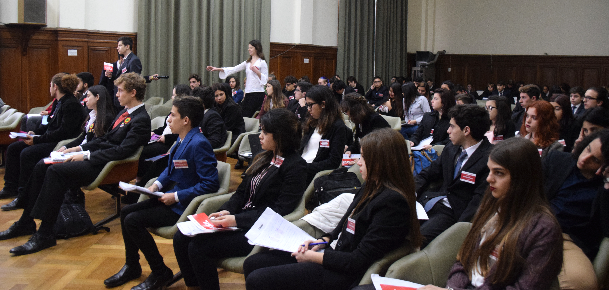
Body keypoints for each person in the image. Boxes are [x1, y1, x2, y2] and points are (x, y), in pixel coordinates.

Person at [243, 128, 423, 290]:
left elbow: (357, 261)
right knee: (253, 262)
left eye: (364, 158)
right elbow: (342, 229)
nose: (358, 162)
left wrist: (313, 258)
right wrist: (320, 241)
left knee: (258, 279)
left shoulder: (393, 204)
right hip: (333, 254)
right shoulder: (371, 186)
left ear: (382, 162)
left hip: (343, 273)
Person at [0, 72, 151, 255]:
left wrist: (86, 155)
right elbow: (105, 140)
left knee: (56, 172)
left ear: (133, 92)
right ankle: (26, 222)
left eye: (120, 91)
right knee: (42, 165)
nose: (116, 94)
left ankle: (44, 234)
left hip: (109, 166)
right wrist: (78, 149)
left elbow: (122, 151)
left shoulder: (141, 119)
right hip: (99, 158)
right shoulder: (125, 113)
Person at [172, 108, 307, 290]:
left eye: (265, 132)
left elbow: (279, 210)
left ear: (281, 136)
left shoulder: (295, 166)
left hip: (259, 229)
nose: (260, 136)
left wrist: (235, 219)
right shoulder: (263, 157)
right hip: (239, 220)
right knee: (181, 237)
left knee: (198, 247)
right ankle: (193, 285)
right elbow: (241, 193)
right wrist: (227, 210)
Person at [103, 96, 220, 290]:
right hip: (169, 198)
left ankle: (160, 272)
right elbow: (170, 169)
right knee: (126, 213)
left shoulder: (199, 143)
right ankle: (132, 265)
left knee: (133, 220)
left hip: (183, 206)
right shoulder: (182, 140)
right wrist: (155, 186)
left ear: (186, 120)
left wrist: (175, 196)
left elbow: (210, 184)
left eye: (172, 115)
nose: (168, 119)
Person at [417, 137, 563, 290]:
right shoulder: (491, 205)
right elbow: (463, 260)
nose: (489, 179)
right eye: (490, 170)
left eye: (499, 173)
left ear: (523, 178)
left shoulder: (544, 229)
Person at [0, 73, 85, 203]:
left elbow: (63, 132)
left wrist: (37, 140)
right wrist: (34, 132)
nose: (49, 88)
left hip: (59, 144)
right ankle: (10, 187)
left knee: (27, 153)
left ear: (55, 87)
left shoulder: (71, 104)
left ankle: (25, 195)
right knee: (13, 148)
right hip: (49, 138)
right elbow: (50, 124)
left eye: (50, 85)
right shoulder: (59, 102)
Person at [415, 104, 492, 247]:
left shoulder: (490, 159)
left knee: (417, 239)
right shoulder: (451, 148)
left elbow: (478, 201)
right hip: (431, 201)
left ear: (466, 130)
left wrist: (458, 231)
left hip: (454, 213)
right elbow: (429, 172)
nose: (448, 130)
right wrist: (412, 191)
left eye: (452, 126)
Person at [133, 84, 190, 192]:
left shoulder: (186, 113)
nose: (172, 98)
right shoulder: (174, 109)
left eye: (174, 95)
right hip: (161, 139)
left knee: (144, 152)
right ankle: (139, 180)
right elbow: (165, 127)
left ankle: (141, 182)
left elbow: (182, 134)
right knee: (139, 146)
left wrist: (166, 138)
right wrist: (154, 132)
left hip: (169, 144)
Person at [207, 40, 268, 118]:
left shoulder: (262, 62)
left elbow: (265, 79)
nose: (249, 49)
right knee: (244, 115)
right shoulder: (247, 62)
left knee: (253, 115)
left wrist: (257, 71)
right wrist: (217, 69)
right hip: (249, 93)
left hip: (258, 93)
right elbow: (234, 69)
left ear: (257, 48)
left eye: (251, 48)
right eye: (248, 48)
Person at [300, 85, 348, 183]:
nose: (308, 109)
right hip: (300, 167)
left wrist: (304, 167)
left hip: (312, 173)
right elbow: (301, 149)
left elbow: (333, 162)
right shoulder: (311, 122)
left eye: (310, 105)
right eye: (307, 105)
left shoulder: (338, 126)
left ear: (323, 104)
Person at [100, 36, 142, 111]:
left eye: (120, 45)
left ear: (127, 46)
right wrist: (111, 76)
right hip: (119, 97)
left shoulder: (133, 60)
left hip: (127, 98)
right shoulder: (125, 60)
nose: (117, 48)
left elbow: (134, 81)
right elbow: (121, 77)